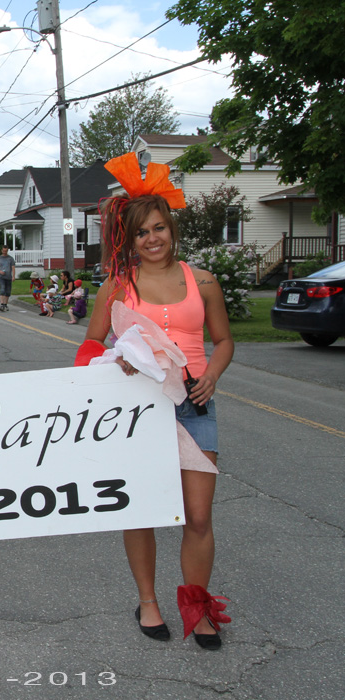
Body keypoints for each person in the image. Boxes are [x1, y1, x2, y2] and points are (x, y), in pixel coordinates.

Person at [83, 152, 234, 651]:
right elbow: (90, 347)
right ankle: (147, 600)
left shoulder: (204, 281)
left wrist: (212, 372)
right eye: (143, 231)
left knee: (197, 516)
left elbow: (225, 340)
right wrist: (114, 361)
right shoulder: (117, 285)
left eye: (160, 229)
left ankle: (198, 606)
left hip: (194, 404)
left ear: (172, 230)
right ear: (130, 236)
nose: (153, 239)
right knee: (141, 508)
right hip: (137, 409)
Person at [0, 246, 16, 312]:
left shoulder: (10, 259)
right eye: (3, 251)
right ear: (1, 250)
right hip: (1, 277)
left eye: (6, 251)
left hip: (8, 276)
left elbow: (13, 267)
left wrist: (13, 276)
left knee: (8, 291)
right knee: (2, 289)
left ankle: (5, 304)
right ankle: (2, 304)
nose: (4, 252)